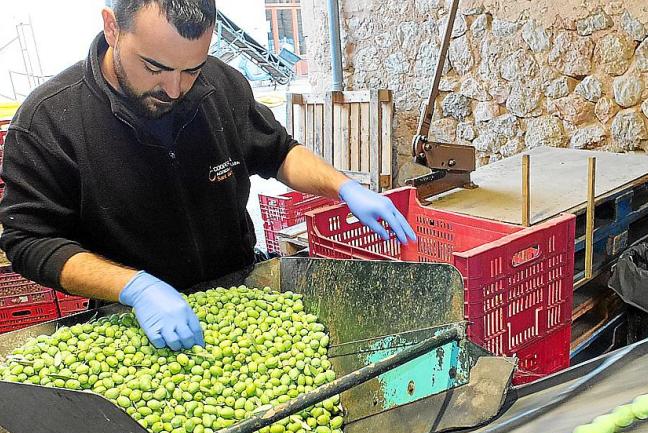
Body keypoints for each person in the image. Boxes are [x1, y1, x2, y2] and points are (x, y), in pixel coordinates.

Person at [0, 0, 416, 352]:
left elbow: (278, 152)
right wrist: (136, 288)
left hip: (239, 299)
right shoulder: (48, 121)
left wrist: (343, 186)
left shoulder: (220, 84)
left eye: (191, 70)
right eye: (155, 67)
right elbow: (31, 241)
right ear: (112, 27)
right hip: (132, 320)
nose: (174, 89)